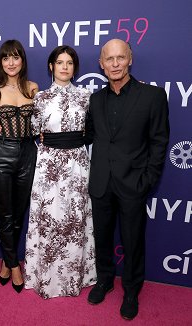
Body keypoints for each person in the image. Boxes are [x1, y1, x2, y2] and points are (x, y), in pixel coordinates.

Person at [86, 39, 169, 320]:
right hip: (100, 182)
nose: (115, 64)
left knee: (133, 241)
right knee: (103, 238)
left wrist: (147, 180)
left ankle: (132, 290)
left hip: (133, 183)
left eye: (121, 58)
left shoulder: (152, 96)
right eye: (109, 59)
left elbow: (159, 142)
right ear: (101, 64)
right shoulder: (95, 99)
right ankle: (105, 280)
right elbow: (88, 136)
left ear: (130, 59)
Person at [24, 45, 97, 299]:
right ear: (51, 66)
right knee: (49, 218)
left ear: (74, 68)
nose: (64, 66)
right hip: (48, 165)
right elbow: (34, 132)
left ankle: (75, 277)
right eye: (60, 62)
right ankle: (46, 278)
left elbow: (97, 128)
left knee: (75, 220)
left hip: (77, 163)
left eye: (69, 62)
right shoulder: (39, 98)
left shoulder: (87, 97)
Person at [0, 39, 38, 293]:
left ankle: (7, 260)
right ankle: (15, 266)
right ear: (1, 62)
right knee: (4, 214)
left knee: (17, 214)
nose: (11, 63)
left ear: (22, 61)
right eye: (6, 58)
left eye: (15, 57)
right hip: (1, 154)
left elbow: (41, 125)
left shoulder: (34, 89)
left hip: (28, 154)